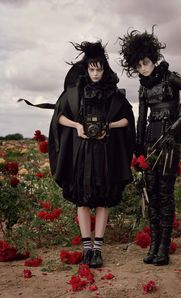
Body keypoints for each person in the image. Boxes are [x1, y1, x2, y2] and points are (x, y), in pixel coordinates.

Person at [21, 41, 135, 268]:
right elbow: (58, 116)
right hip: (81, 155)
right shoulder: (73, 92)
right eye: (92, 69)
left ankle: (98, 249)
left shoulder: (114, 95)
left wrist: (107, 127)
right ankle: (86, 248)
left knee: (103, 201)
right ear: (86, 69)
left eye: (99, 69)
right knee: (82, 201)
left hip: (104, 155)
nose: (95, 73)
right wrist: (77, 126)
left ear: (104, 69)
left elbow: (127, 120)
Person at [119, 26, 181, 266]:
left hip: (170, 141)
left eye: (145, 63)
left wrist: (179, 122)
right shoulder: (143, 86)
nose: (142, 68)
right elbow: (140, 119)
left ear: (153, 58)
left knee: (165, 193)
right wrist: (138, 149)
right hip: (150, 141)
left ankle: (163, 248)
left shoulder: (171, 77)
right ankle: (153, 244)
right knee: (152, 195)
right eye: (138, 66)